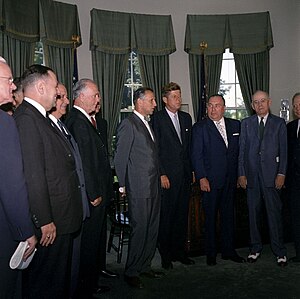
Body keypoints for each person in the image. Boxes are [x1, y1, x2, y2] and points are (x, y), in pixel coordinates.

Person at [14, 64, 83, 298]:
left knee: (56, 280)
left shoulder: (39, 117)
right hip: (51, 220)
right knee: (46, 284)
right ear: (41, 87)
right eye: (55, 87)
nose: (57, 93)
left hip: (60, 215)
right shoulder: (27, 119)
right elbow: (33, 175)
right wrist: (44, 220)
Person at [65, 79, 113, 297]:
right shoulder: (78, 122)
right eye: (95, 95)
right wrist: (93, 193)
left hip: (99, 193)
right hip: (93, 196)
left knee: (94, 243)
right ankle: (86, 288)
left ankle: (91, 282)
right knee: (88, 245)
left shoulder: (87, 121)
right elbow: (83, 162)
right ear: (81, 97)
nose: (98, 99)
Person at [114, 87, 163, 289]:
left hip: (153, 186)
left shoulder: (147, 123)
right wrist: (123, 186)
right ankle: (131, 271)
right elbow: (120, 157)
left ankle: (144, 265)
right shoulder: (129, 123)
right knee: (140, 229)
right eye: (151, 100)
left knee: (152, 228)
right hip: (139, 187)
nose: (154, 104)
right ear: (139, 101)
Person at [191, 94, 245, 266]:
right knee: (210, 218)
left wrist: (239, 175)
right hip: (210, 182)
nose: (213, 109)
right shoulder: (199, 128)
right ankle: (211, 253)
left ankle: (229, 251)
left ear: (224, 107)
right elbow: (196, 155)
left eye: (217, 105)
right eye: (210, 105)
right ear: (207, 108)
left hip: (231, 181)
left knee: (229, 217)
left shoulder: (235, 125)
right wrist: (201, 177)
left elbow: (238, 154)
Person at [0, 57, 37, 299]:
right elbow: (12, 184)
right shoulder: (4, 122)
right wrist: (26, 231)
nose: (14, 86)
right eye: (9, 80)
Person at [49, 83, 90, 296]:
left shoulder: (62, 125)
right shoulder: (48, 127)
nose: (66, 101)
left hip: (73, 207)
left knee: (71, 266)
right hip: (61, 212)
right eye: (62, 96)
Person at [238, 90, 287, 267]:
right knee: (253, 216)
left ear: (269, 102)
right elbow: (241, 152)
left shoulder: (279, 123)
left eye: (263, 101)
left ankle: (280, 251)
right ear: (252, 105)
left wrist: (281, 173)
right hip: (251, 178)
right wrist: (241, 174)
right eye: (256, 102)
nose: (259, 105)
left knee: (274, 215)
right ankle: (255, 248)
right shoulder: (246, 123)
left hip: (272, 177)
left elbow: (284, 151)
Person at [151, 82, 194, 270]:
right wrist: (161, 173)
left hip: (184, 177)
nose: (178, 100)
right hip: (167, 177)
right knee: (167, 217)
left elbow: (188, 149)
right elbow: (155, 149)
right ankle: (166, 254)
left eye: (179, 95)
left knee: (181, 217)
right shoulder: (157, 119)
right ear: (164, 99)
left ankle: (180, 252)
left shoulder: (186, 118)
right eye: (174, 96)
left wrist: (192, 171)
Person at [286, 92, 300, 262]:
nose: (297, 109)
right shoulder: (290, 127)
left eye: (299, 105)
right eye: (295, 105)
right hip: (294, 183)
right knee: (296, 219)